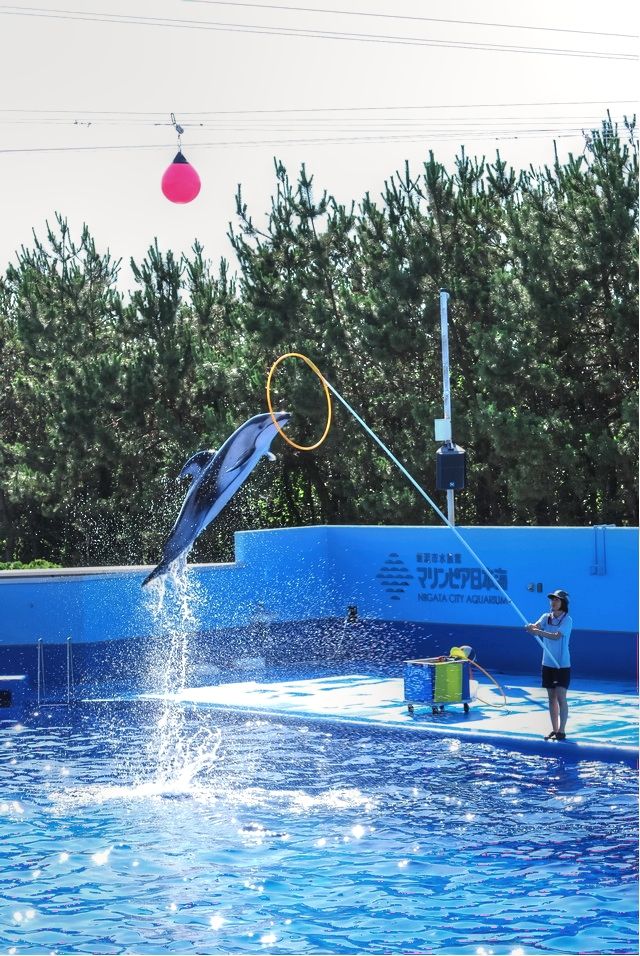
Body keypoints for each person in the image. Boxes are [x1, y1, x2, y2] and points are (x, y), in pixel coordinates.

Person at [525, 589, 573, 741]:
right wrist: (531, 627)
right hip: (547, 663)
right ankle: (554, 729)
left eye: (557, 600)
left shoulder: (567, 620)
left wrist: (538, 632)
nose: (553, 602)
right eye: (552, 599)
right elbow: (537, 626)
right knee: (551, 698)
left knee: (561, 697)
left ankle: (562, 731)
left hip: (562, 665)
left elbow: (556, 637)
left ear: (563, 603)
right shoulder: (546, 617)